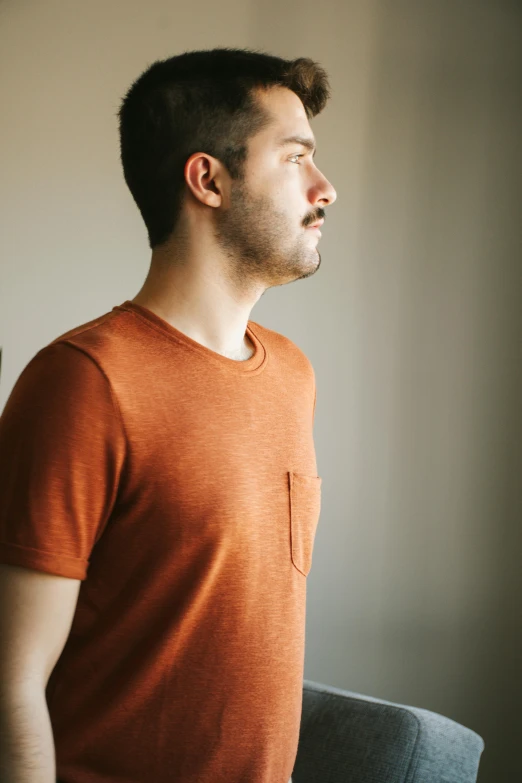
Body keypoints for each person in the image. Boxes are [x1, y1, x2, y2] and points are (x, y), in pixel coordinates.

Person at [0, 46, 337, 783]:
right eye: (296, 157)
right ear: (208, 179)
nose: (326, 187)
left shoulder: (294, 375)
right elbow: (10, 680)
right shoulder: (84, 383)